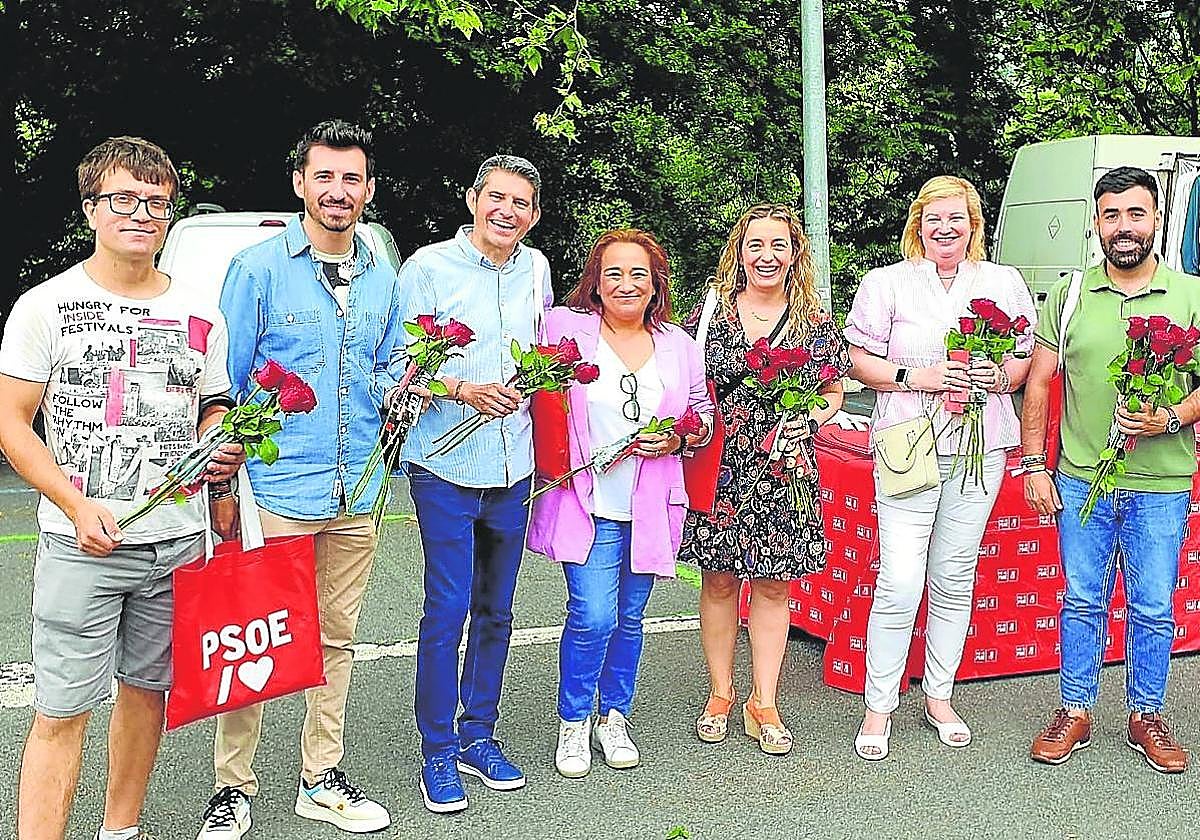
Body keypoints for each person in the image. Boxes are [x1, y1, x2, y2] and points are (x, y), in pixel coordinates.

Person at [1, 136, 243, 840]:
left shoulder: (202, 312)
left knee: (148, 694)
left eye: (157, 203)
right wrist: (75, 505)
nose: (141, 214)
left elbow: (214, 404)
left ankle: (121, 830)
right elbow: (13, 425)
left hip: (175, 542)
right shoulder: (45, 306)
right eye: (124, 199)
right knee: (60, 710)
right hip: (82, 543)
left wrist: (221, 439)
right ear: (91, 210)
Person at [197, 121, 401, 838]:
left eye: (351, 179)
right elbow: (221, 384)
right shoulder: (257, 268)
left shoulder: (380, 267)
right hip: (279, 491)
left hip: (358, 489)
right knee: (256, 638)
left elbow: (389, 360)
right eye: (325, 176)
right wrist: (222, 491)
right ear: (299, 184)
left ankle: (320, 775)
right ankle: (232, 786)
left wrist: (410, 384)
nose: (338, 191)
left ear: (368, 189)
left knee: (337, 640)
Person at [842, 175, 1035, 760]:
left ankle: (939, 693)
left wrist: (997, 378)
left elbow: (1026, 358)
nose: (943, 229)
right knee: (901, 578)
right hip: (907, 437)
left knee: (953, 575)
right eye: (932, 218)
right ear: (917, 225)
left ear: (975, 225)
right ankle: (880, 705)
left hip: (982, 442)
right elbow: (856, 359)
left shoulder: (1003, 281)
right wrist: (915, 377)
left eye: (956, 218)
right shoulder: (886, 282)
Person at [1023, 166, 1200, 773]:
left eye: (1136, 214)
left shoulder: (1192, 295)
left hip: (1161, 484)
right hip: (1079, 477)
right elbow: (1040, 384)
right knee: (1080, 599)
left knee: (1153, 604)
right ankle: (1074, 710)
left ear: (1157, 219)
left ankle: (1146, 715)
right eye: (1111, 215)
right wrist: (1033, 466)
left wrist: (1172, 416)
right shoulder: (1070, 294)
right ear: (1096, 223)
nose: (1123, 227)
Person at [526, 229, 712, 778]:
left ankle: (614, 715)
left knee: (630, 618)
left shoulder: (679, 343)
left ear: (656, 284)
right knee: (593, 616)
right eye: (614, 273)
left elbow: (699, 412)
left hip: (652, 504)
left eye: (639, 274)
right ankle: (574, 721)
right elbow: (539, 387)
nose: (626, 284)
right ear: (595, 282)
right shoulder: (566, 329)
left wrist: (678, 439)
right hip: (587, 501)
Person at [399, 154, 552, 813]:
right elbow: (398, 363)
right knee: (448, 607)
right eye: (496, 198)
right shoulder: (428, 268)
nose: (506, 212)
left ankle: (477, 734)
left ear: (534, 215)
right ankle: (436, 750)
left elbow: (544, 351)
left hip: (513, 468)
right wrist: (459, 387)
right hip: (444, 465)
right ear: (471, 200)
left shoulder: (537, 269)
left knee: (499, 609)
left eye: (520, 203)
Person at [679, 203, 849, 756]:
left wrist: (809, 419)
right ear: (740, 251)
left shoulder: (816, 322)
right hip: (723, 463)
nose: (767, 255)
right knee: (720, 582)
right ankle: (720, 693)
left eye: (779, 245)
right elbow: (689, 385)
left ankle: (764, 701)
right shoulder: (712, 315)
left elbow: (832, 394)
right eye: (756, 245)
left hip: (786, 465)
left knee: (775, 586)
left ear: (795, 252)